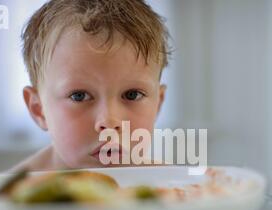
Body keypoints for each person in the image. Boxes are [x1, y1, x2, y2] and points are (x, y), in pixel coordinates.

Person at [10, 0, 171, 172]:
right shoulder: (8, 193)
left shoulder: (173, 186)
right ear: (38, 109)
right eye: (78, 96)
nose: (109, 121)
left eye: (132, 95)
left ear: (157, 105)